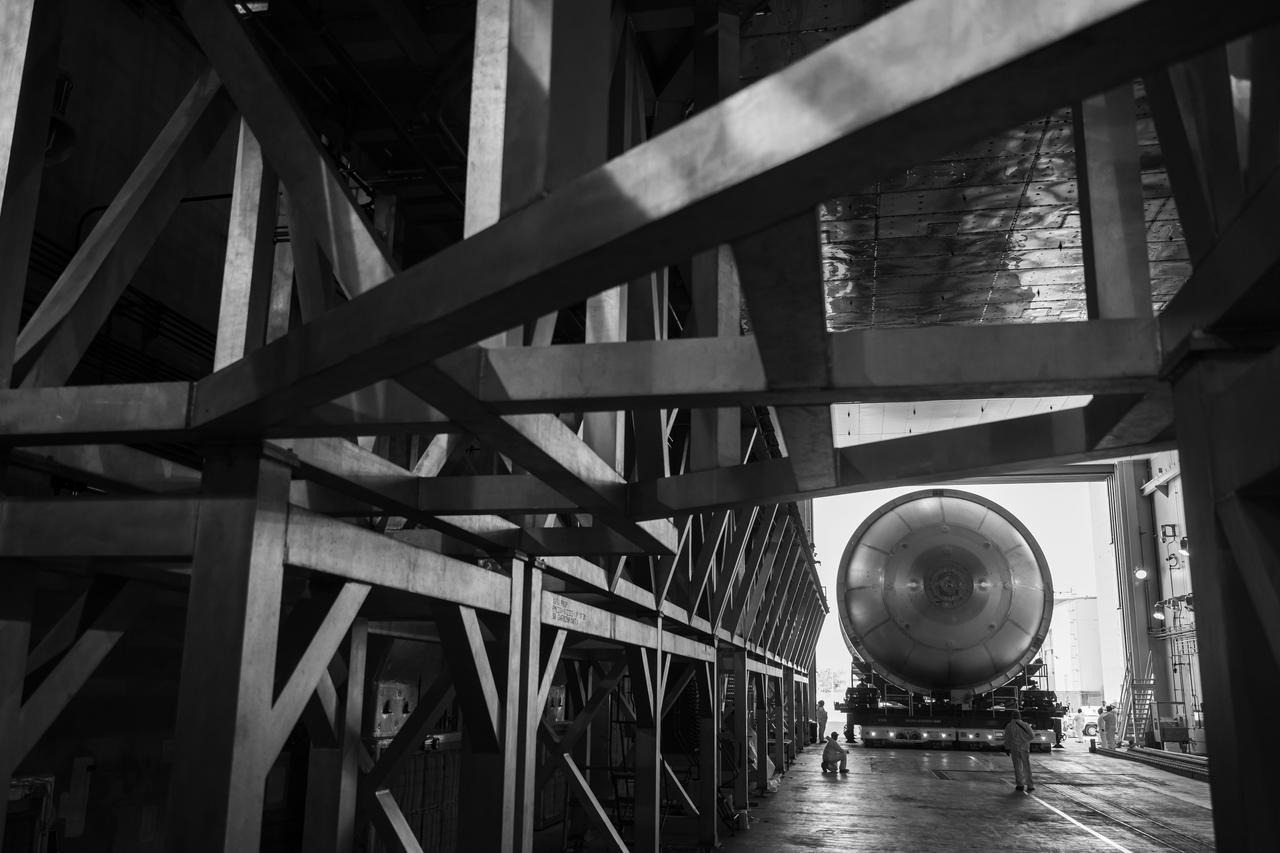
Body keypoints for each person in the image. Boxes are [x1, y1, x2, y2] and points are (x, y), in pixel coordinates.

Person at [1002, 710, 1036, 793]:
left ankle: (1020, 785)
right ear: (1020, 716)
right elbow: (1032, 736)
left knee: (1017, 767)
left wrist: (1007, 748)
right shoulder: (1025, 725)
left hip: (1014, 748)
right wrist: (1024, 740)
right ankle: (1030, 785)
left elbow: (1007, 738)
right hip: (1024, 748)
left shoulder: (1009, 726)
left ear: (1012, 716)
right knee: (1026, 766)